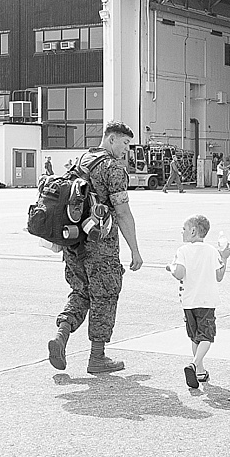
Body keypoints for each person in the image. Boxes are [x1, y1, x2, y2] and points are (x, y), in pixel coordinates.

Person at [47, 122, 145, 376]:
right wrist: (135, 249)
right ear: (111, 139)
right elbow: (122, 212)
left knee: (81, 292)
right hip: (101, 247)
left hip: (74, 243)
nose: (126, 149)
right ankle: (97, 357)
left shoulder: (82, 160)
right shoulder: (113, 168)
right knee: (105, 295)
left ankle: (62, 334)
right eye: (124, 143)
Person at [167, 214, 229, 390]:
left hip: (188, 301)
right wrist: (225, 258)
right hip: (207, 301)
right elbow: (219, 276)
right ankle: (194, 365)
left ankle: (200, 371)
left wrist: (171, 267)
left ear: (193, 231)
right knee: (207, 337)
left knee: (195, 337)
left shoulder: (182, 251)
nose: (182, 232)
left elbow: (179, 273)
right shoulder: (211, 251)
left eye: (184, 229)